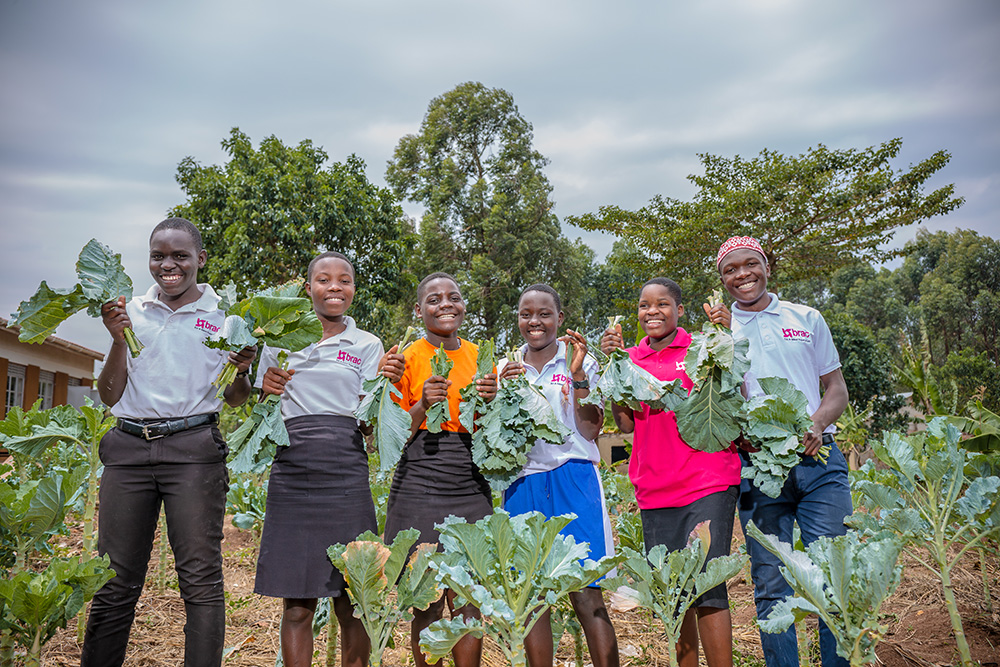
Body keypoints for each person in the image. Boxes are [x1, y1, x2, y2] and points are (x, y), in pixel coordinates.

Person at [83, 218, 257, 667]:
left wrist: (241, 369)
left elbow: (235, 400)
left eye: (180, 256)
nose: (168, 265)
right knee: (114, 581)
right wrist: (118, 338)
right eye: (158, 256)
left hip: (193, 451)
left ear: (200, 259)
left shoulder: (226, 317)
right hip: (128, 451)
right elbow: (109, 394)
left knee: (199, 579)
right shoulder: (130, 311)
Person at [252, 251, 405, 667]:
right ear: (308, 288)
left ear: (353, 289)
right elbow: (261, 408)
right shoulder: (278, 339)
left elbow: (370, 423)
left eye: (344, 280)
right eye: (324, 280)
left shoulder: (367, 344)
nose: (334, 287)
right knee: (297, 602)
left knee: (353, 599)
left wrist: (386, 387)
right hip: (292, 464)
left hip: (345, 465)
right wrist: (266, 388)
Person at [713, 236, 851, 667]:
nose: (742, 275)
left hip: (818, 462)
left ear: (767, 266)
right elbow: (724, 403)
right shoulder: (719, 333)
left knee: (832, 576)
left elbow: (836, 388)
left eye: (749, 264)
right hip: (759, 469)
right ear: (722, 280)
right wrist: (719, 343)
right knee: (772, 584)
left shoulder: (806, 317)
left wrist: (817, 423)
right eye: (730, 270)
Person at [601, 277, 741, 667]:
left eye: (662, 304)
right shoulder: (630, 357)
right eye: (645, 306)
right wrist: (614, 369)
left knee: (708, 587)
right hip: (655, 485)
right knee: (675, 591)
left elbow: (733, 390)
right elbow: (626, 424)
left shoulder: (701, 347)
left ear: (680, 310)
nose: (653, 312)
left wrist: (725, 337)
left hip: (707, 478)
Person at [498, 284, 620, 667]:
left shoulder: (579, 360)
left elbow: (590, 431)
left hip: (574, 479)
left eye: (544, 314)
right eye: (526, 314)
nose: (535, 321)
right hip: (522, 483)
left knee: (586, 593)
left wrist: (579, 374)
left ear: (560, 318)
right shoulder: (504, 367)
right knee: (531, 597)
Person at [384, 271, 498, 667]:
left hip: (469, 478)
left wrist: (492, 401)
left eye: (454, 297)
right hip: (420, 477)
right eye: (434, 299)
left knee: (469, 600)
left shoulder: (481, 356)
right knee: (426, 601)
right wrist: (422, 406)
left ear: (464, 306)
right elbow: (391, 434)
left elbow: (491, 428)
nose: (445, 304)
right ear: (419, 310)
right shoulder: (406, 357)